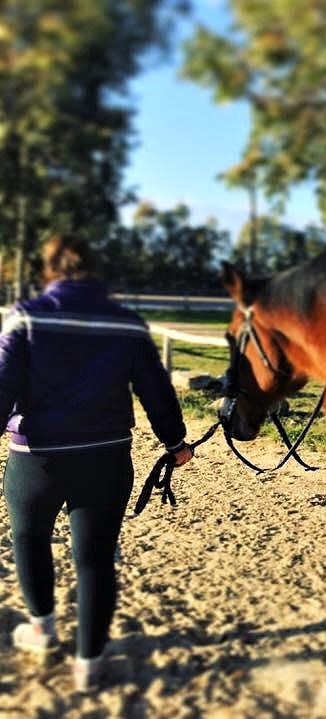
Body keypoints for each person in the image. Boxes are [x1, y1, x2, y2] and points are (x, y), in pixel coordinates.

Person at [0, 234, 194, 692]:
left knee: (29, 540)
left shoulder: (26, 316)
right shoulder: (126, 322)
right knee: (95, 559)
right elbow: (155, 390)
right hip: (106, 457)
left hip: (36, 459)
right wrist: (175, 442)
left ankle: (42, 628)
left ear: (49, 271)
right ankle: (89, 663)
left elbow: (2, 387)